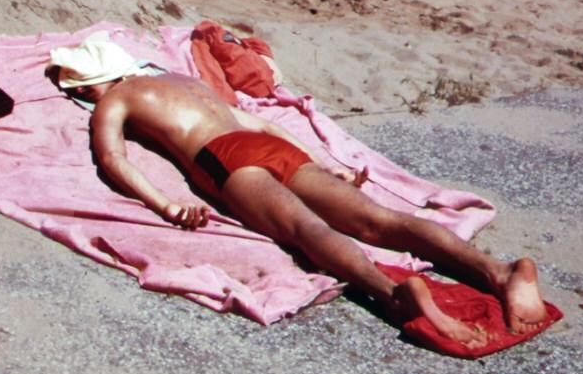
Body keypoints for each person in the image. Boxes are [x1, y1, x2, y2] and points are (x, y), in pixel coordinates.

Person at [50, 34, 550, 346]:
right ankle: (499, 271)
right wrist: (324, 167)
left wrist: (166, 203)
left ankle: (396, 295)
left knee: (306, 231)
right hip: (267, 145)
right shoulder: (184, 81)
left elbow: (113, 160)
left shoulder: (115, 99)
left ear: (89, 83)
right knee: (379, 220)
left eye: (78, 89)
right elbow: (261, 125)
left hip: (224, 158)